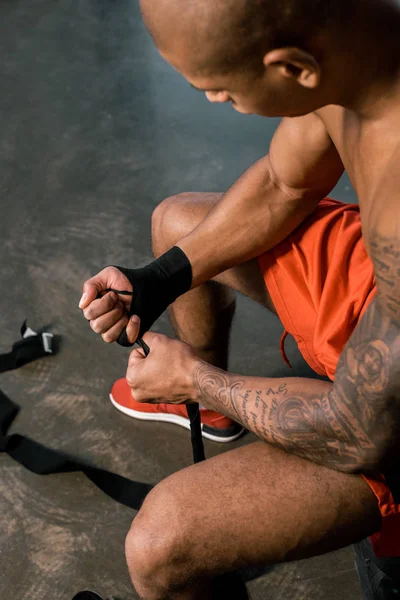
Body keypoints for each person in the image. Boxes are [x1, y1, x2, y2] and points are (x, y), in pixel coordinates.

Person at [79, 0, 400, 598]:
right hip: (376, 296)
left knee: (161, 544)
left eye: (220, 90)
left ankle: (203, 398)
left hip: (381, 419)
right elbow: (285, 182)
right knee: (178, 223)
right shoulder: (357, 54)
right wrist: (161, 278)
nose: (212, 101)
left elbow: (362, 431)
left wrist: (196, 380)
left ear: (293, 67)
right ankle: (222, 414)